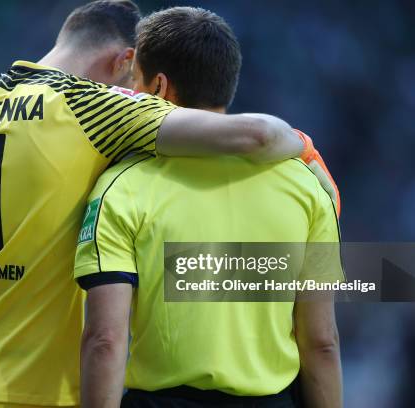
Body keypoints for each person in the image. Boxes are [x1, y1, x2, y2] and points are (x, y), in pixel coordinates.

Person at [0, 1, 308, 408]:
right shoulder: (95, 107)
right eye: (131, 78)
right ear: (124, 62)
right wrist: (303, 147)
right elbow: (258, 136)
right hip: (41, 395)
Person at [75, 7, 343, 408]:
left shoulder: (121, 186)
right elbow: (321, 342)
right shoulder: (305, 184)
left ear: (159, 87)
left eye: (134, 83)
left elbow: (105, 340)